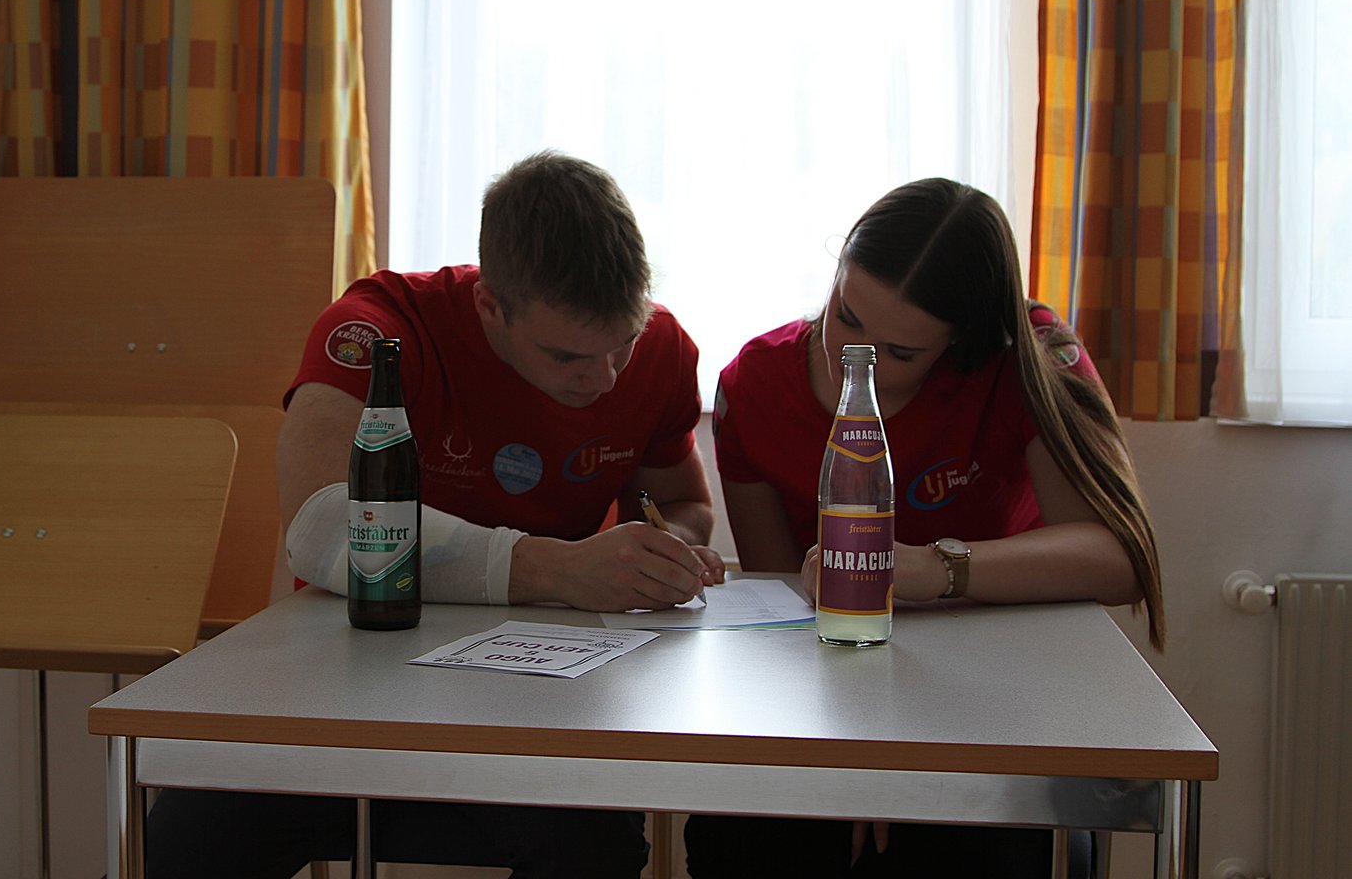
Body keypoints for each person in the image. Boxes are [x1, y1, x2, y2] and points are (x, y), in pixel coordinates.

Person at [144, 149, 725, 879]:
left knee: (596, 842)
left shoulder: (664, 348)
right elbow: (322, 526)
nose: (604, 378)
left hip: (535, 695)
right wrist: (557, 568)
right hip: (349, 683)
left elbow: (682, 504)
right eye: (567, 357)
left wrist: (671, 553)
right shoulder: (377, 328)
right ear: (490, 306)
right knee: (187, 836)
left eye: (623, 345)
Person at [684, 177, 1165, 879]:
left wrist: (936, 570)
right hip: (830, 691)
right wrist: (860, 747)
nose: (854, 356)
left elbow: (1117, 555)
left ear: (963, 342)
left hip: (1000, 691)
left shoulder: (1031, 356)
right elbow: (787, 607)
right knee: (755, 837)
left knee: (968, 841)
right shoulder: (755, 384)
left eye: (901, 352)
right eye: (845, 315)